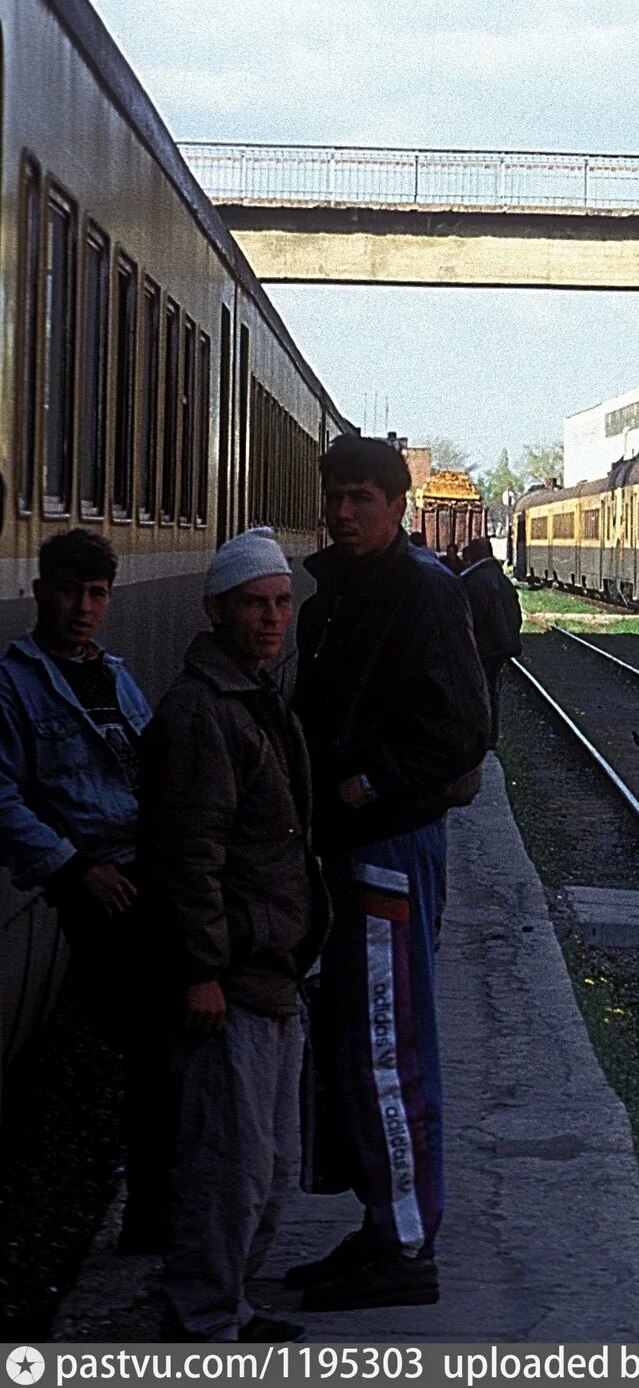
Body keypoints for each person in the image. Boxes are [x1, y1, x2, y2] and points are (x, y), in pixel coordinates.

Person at [290, 436, 492, 1312]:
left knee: (387, 1046)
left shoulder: (423, 594)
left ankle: (407, 1247)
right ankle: (382, 1226)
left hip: (391, 856)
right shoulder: (337, 594)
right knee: (354, 1044)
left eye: (363, 497)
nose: (344, 512)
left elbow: (461, 729)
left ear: (400, 507)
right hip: (350, 851)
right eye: (336, 495)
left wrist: (368, 781)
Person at [143, 529, 325, 1342]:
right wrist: (200, 971)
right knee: (230, 1168)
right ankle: (202, 1320)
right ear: (219, 609)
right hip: (233, 976)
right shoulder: (202, 713)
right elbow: (189, 855)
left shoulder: (253, 696)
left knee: (272, 1167)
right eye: (255, 605)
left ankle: (231, 1306)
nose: (272, 619)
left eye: (282, 604)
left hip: (273, 969)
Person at [0, 528, 170, 1248]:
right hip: (95, 876)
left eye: (96, 594)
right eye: (69, 591)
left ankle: (154, 1203)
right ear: (41, 592)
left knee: (154, 1036)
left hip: (145, 868)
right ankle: (149, 1213)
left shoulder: (115, 673)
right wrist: (75, 870)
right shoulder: (15, 683)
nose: (83, 608)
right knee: (144, 1036)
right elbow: (4, 796)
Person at [452, 536, 522, 738]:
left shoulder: (476, 581)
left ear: (472, 556)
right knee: (493, 690)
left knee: (482, 692)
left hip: (483, 648)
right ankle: (491, 734)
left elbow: (471, 616)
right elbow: (515, 614)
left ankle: (484, 735)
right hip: (500, 646)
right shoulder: (501, 579)